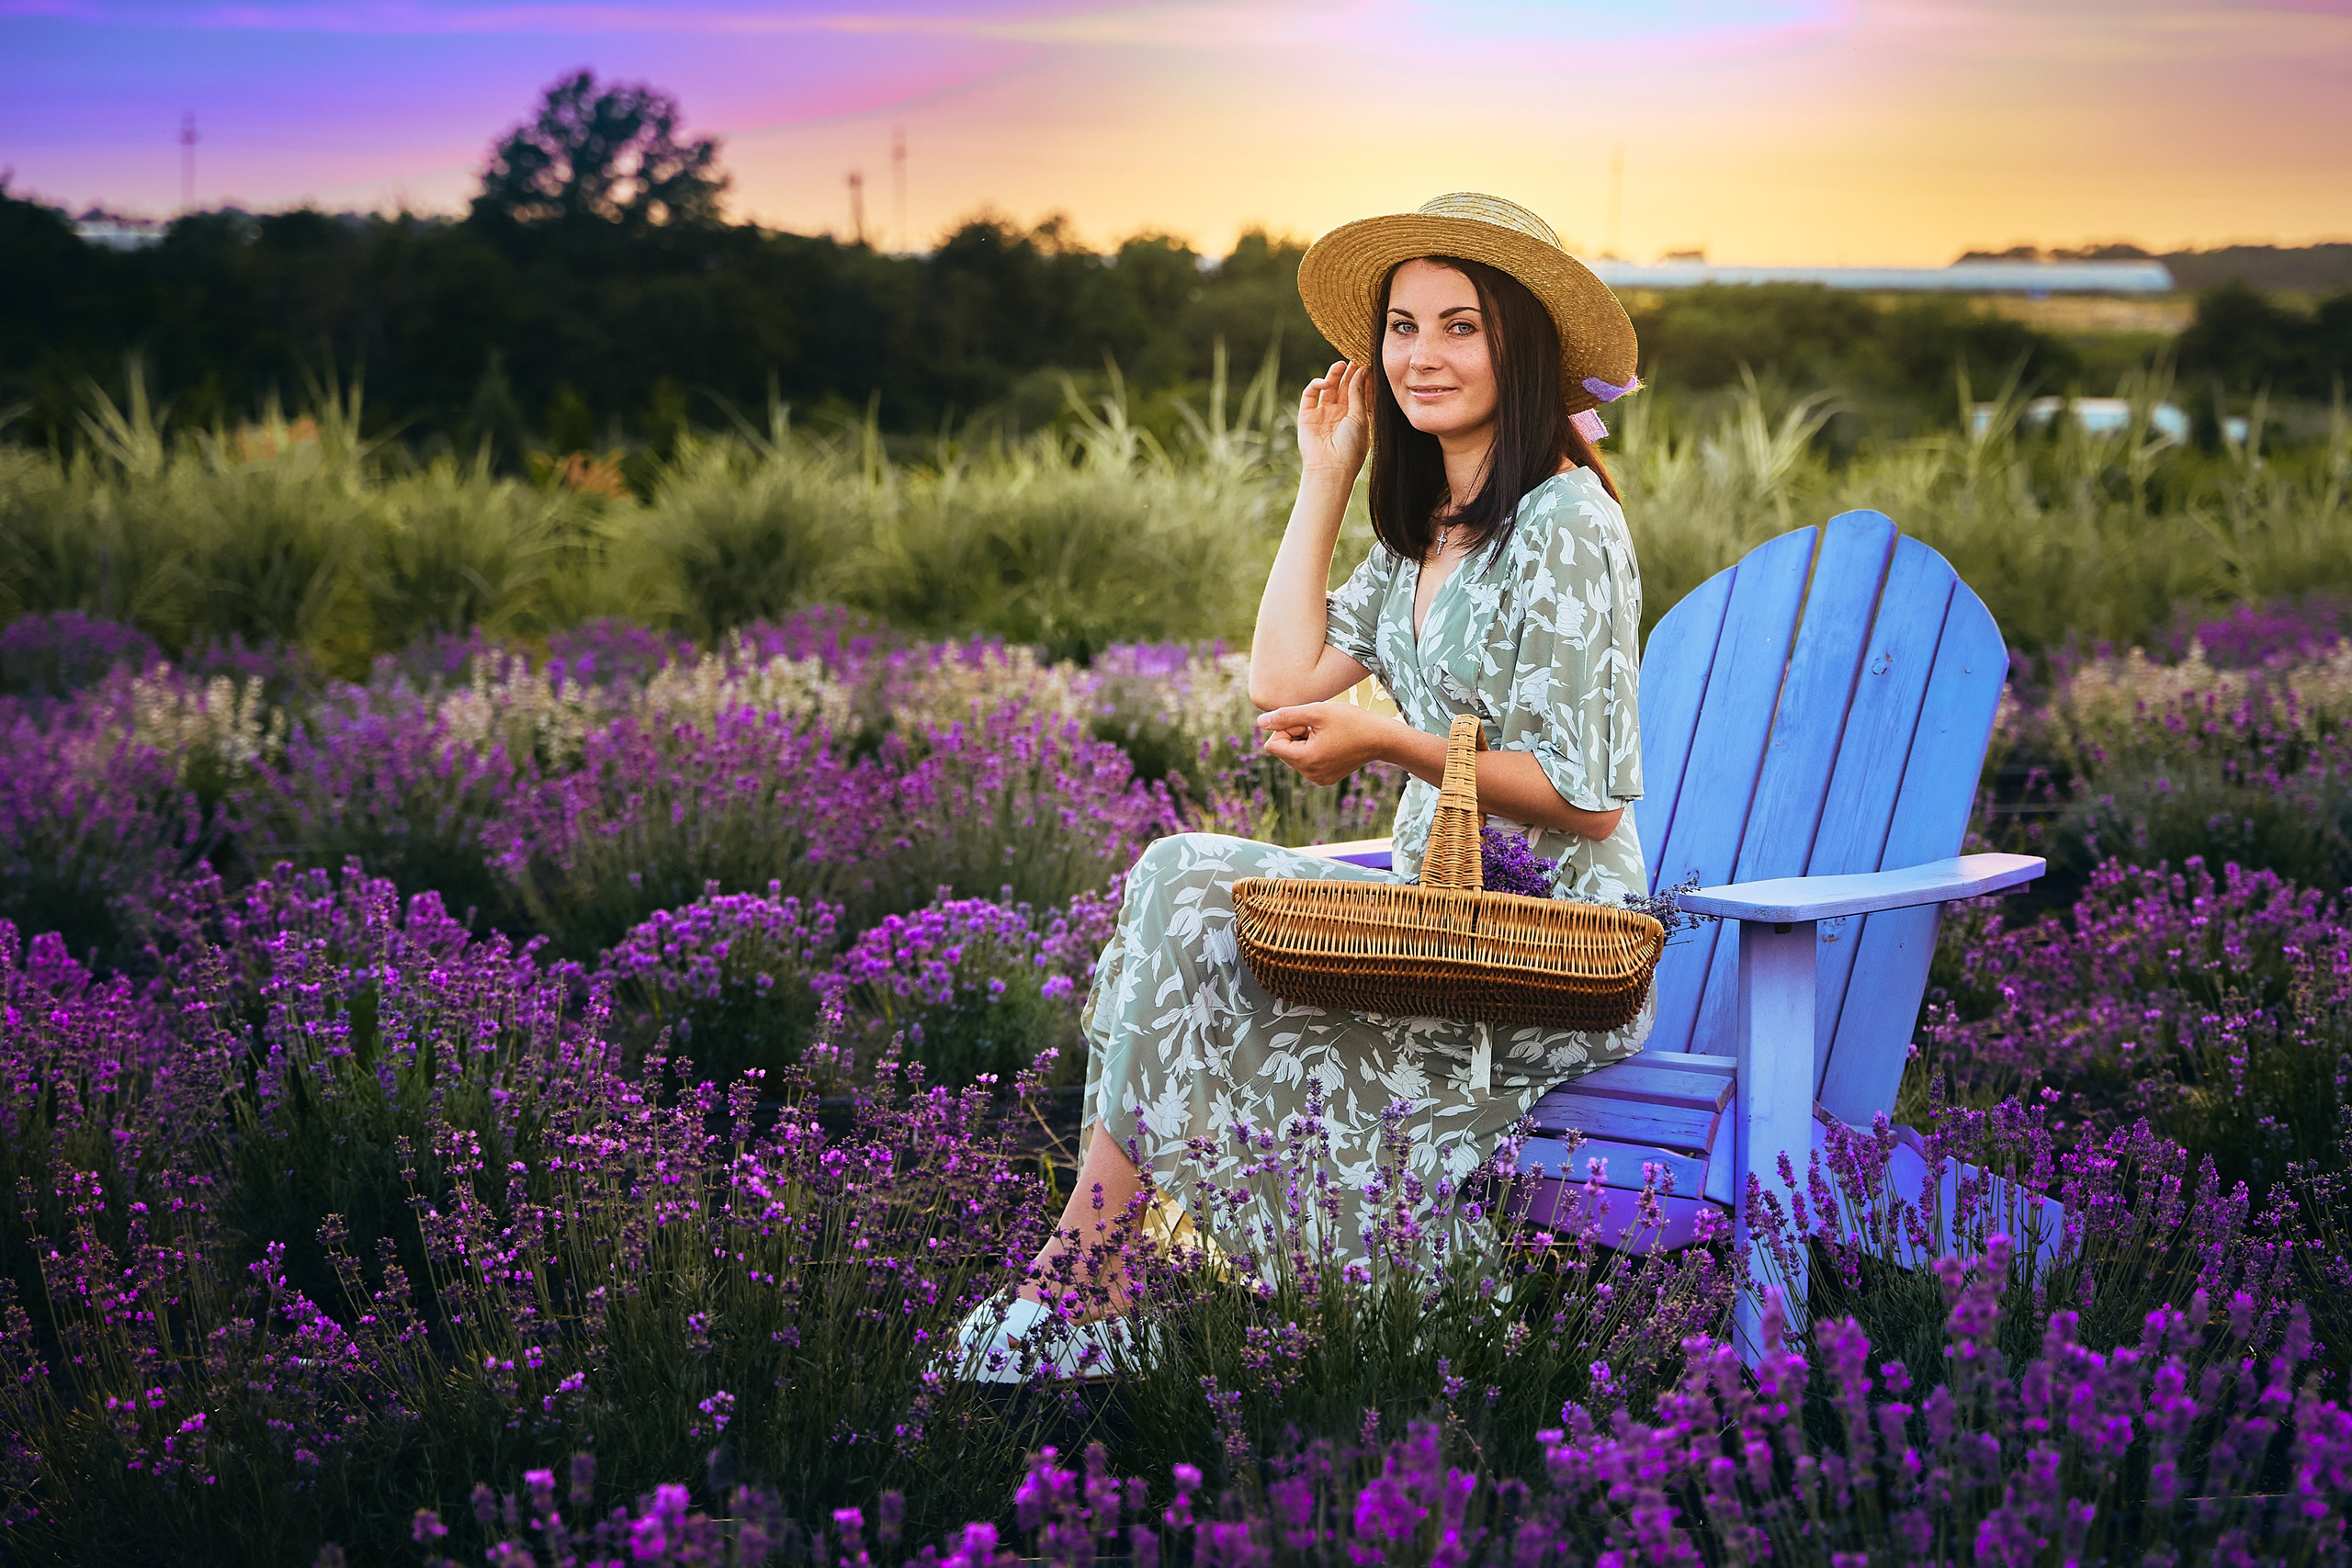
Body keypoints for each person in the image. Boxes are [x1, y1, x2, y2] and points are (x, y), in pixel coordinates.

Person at [955, 193, 1652, 1379]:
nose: (1422, 355)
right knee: (1178, 882)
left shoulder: (1565, 523)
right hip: (1430, 914)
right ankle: (1094, 1277)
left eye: (1461, 326)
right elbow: (1281, 681)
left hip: (1549, 946)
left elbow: (1585, 802)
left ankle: (1087, 1288)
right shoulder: (1430, 529)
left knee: (1186, 882)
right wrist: (1325, 475)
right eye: (1401, 326)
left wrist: (1385, 742)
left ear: (1522, 346)